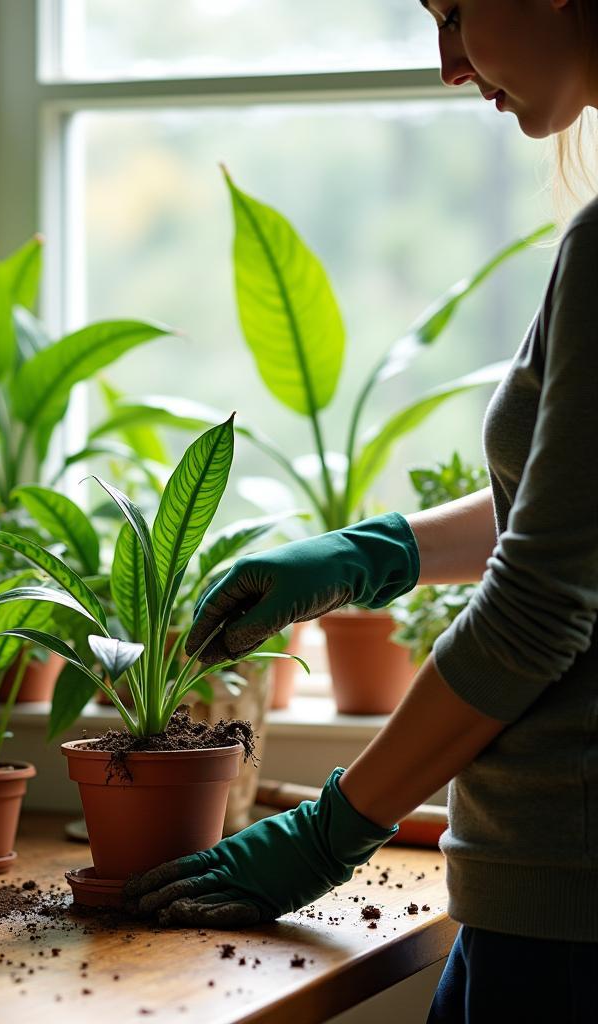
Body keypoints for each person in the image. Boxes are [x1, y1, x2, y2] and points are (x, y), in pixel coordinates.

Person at [124, 2, 598, 1020]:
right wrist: (372, 555)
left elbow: (539, 609)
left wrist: (329, 828)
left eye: (456, 11)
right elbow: (568, 518)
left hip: (569, 912)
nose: (446, 65)